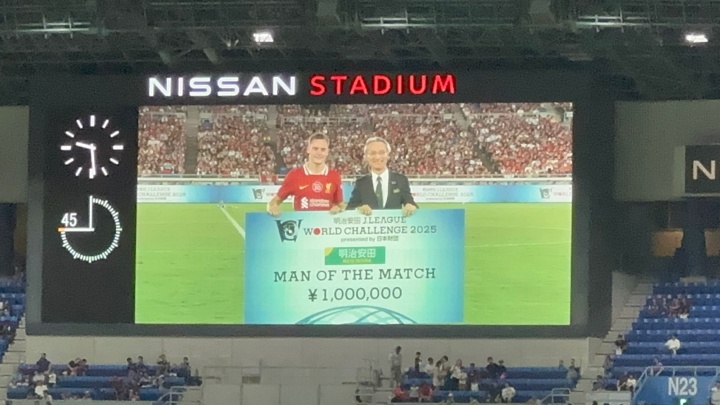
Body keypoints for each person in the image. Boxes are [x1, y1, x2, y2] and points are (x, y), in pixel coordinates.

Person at [267, 133, 345, 216]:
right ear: (308, 149)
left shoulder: (334, 176)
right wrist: (272, 207)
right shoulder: (294, 175)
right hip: (302, 224)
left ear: (327, 152)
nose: (319, 153)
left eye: (323, 149)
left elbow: (341, 205)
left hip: (325, 223)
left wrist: (340, 208)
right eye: (315, 149)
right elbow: (273, 202)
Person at [347, 136, 418, 216]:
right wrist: (358, 209)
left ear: (388, 155)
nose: (377, 157)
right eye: (373, 153)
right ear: (366, 156)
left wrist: (411, 207)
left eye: (381, 152)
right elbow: (350, 209)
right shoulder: (361, 183)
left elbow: (411, 204)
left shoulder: (401, 180)